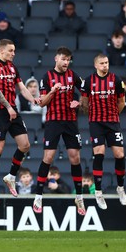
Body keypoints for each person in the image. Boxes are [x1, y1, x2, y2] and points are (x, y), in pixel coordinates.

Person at [0, 39, 40, 205]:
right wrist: (8, 107)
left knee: (25, 145)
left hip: (12, 110)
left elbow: (22, 88)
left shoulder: (12, 67)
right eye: (11, 50)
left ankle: (10, 176)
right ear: (2, 50)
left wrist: (34, 100)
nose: (14, 53)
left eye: (14, 50)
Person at [32, 46, 85, 215]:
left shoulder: (73, 76)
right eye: (63, 59)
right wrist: (53, 91)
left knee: (75, 157)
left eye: (68, 60)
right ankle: (38, 196)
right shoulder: (46, 77)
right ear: (56, 59)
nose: (66, 63)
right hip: (54, 121)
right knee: (48, 157)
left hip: (70, 121)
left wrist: (80, 103)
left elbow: (85, 90)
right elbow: (42, 103)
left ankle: (79, 196)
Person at [80, 53, 126, 209]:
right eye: (102, 63)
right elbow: (85, 103)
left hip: (113, 122)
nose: (105, 65)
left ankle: (120, 187)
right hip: (96, 123)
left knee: (119, 154)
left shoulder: (117, 80)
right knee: (99, 153)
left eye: (106, 63)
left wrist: (113, 114)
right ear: (96, 65)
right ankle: (98, 192)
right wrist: (93, 115)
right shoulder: (88, 81)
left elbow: (122, 102)